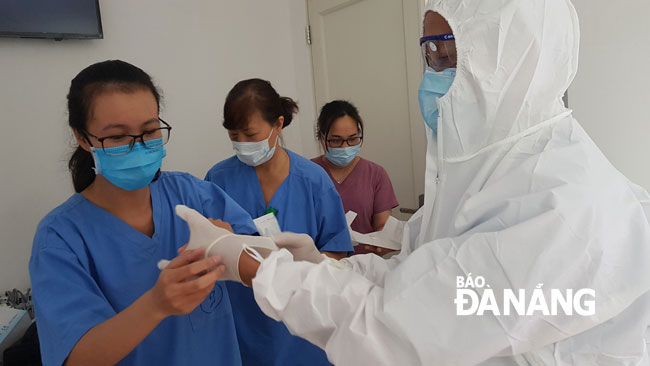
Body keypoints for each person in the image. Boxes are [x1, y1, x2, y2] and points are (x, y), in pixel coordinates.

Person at [235, 1, 650, 365]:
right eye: (430, 53)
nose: (433, 75)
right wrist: (316, 264)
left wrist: (260, 270)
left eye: (450, 55)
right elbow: (410, 274)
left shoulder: (565, 203)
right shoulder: (483, 174)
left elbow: (391, 334)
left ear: (516, 63)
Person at [29, 60, 257, 366]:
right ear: (83, 138)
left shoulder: (192, 195)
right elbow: (75, 357)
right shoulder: (61, 237)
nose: (139, 147)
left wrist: (237, 249)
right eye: (118, 137)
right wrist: (156, 305)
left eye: (150, 131)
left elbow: (261, 265)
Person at [205, 78, 353, 365]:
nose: (242, 143)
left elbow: (337, 251)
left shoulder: (313, 181)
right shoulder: (217, 180)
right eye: (234, 135)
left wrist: (307, 266)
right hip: (243, 322)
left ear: (278, 125)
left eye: (250, 134)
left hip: (303, 323)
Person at [311, 100, 399, 255]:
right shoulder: (308, 173)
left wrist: (383, 243)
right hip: (319, 268)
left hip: (364, 266)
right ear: (321, 137)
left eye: (352, 139)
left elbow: (383, 227)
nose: (345, 147)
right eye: (336, 140)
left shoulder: (375, 174)